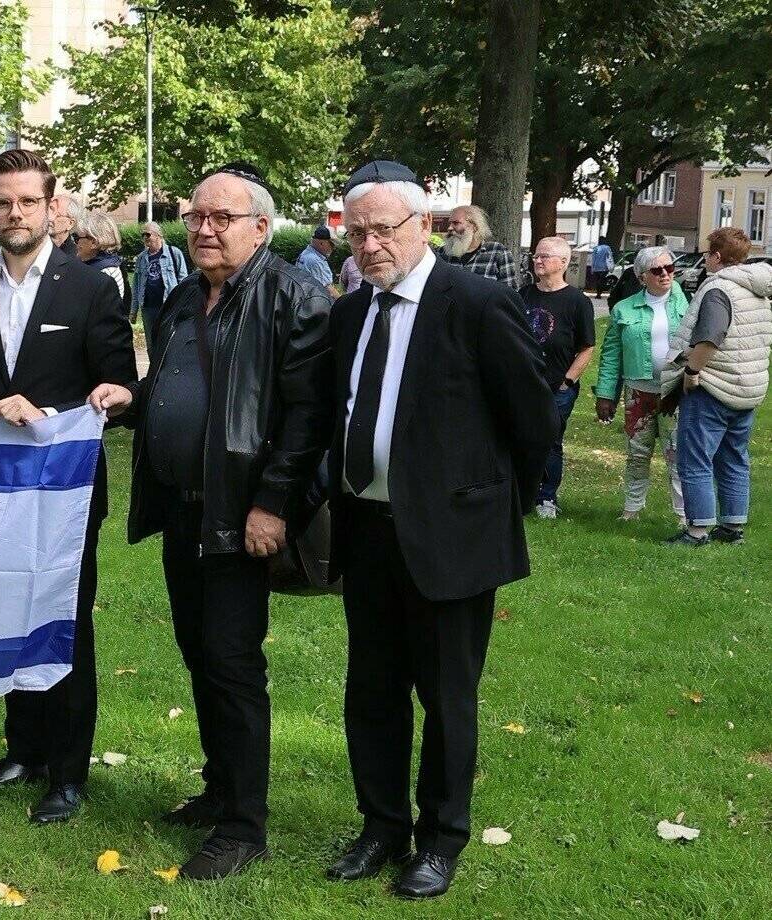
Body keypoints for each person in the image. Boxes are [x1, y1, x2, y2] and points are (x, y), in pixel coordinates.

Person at [326, 162, 552, 899]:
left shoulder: (475, 302)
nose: (366, 246)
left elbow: (530, 415)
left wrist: (489, 503)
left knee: (447, 697)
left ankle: (440, 840)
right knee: (372, 690)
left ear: (422, 227)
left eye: (381, 230)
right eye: (354, 232)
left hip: (452, 534)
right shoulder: (351, 312)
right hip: (365, 528)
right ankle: (380, 827)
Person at [119, 163, 333, 880]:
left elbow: (309, 414)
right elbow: (173, 384)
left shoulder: (292, 296)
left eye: (220, 218)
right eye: (196, 217)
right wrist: (130, 400)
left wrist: (272, 503)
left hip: (239, 518)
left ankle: (244, 826)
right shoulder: (184, 296)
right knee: (199, 655)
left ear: (260, 229)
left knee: (233, 665)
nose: (203, 229)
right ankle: (219, 790)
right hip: (184, 512)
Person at [0, 149, 136, 825]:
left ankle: (68, 771)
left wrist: (54, 414)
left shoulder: (89, 291)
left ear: (52, 207)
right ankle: (21, 747)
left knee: (62, 622)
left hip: (63, 490)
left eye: (26, 201)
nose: (14, 213)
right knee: (4, 615)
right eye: (2, 202)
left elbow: (118, 389)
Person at [665, 227, 772, 546]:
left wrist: (692, 371)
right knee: (734, 456)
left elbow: (710, 338)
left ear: (716, 257)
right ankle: (732, 526)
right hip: (749, 386)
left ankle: (697, 530)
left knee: (694, 458)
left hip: (715, 386)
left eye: (707, 254)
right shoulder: (758, 288)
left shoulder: (719, 290)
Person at [595, 246, 688, 522]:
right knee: (637, 453)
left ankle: (685, 514)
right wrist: (605, 394)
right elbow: (611, 355)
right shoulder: (624, 309)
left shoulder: (688, 304)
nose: (665, 275)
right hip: (638, 392)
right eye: (657, 271)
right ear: (641, 276)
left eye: (670, 269)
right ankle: (632, 509)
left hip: (676, 391)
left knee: (677, 454)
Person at [519, 236, 596, 519]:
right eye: (535, 255)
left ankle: (546, 497)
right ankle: (522, 492)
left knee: (550, 440)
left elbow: (587, 347)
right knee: (521, 438)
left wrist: (567, 381)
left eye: (544, 257)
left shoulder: (577, 301)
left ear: (563, 262)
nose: (537, 261)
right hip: (524, 385)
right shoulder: (524, 295)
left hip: (557, 387)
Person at [132, 220, 189, 349]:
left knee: (168, 340)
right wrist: (133, 310)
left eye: (147, 234)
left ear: (158, 235)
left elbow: (184, 280)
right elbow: (136, 285)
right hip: (148, 307)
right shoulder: (141, 258)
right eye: (143, 235)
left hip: (168, 305)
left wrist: (182, 304)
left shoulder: (174, 253)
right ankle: (153, 368)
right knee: (151, 343)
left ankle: (166, 368)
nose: (144, 238)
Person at [439, 204, 522, 290]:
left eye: (456, 223)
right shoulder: (441, 253)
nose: (449, 228)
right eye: (449, 223)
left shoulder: (497, 252)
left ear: (474, 227)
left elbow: (510, 294)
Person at [72, 210, 128, 302]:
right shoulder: (89, 264)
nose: (75, 242)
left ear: (94, 242)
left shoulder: (106, 272)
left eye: (77, 238)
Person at [296, 225, 336, 290]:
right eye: (332, 244)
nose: (333, 247)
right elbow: (329, 290)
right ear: (321, 243)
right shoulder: (315, 260)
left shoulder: (306, 254)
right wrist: (343, 300)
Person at [50, 191, 86, 257]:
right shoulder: (32, 247)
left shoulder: (76, 257)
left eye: (57, 215)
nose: (49, 218)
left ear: (70, 223)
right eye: (47, 213)